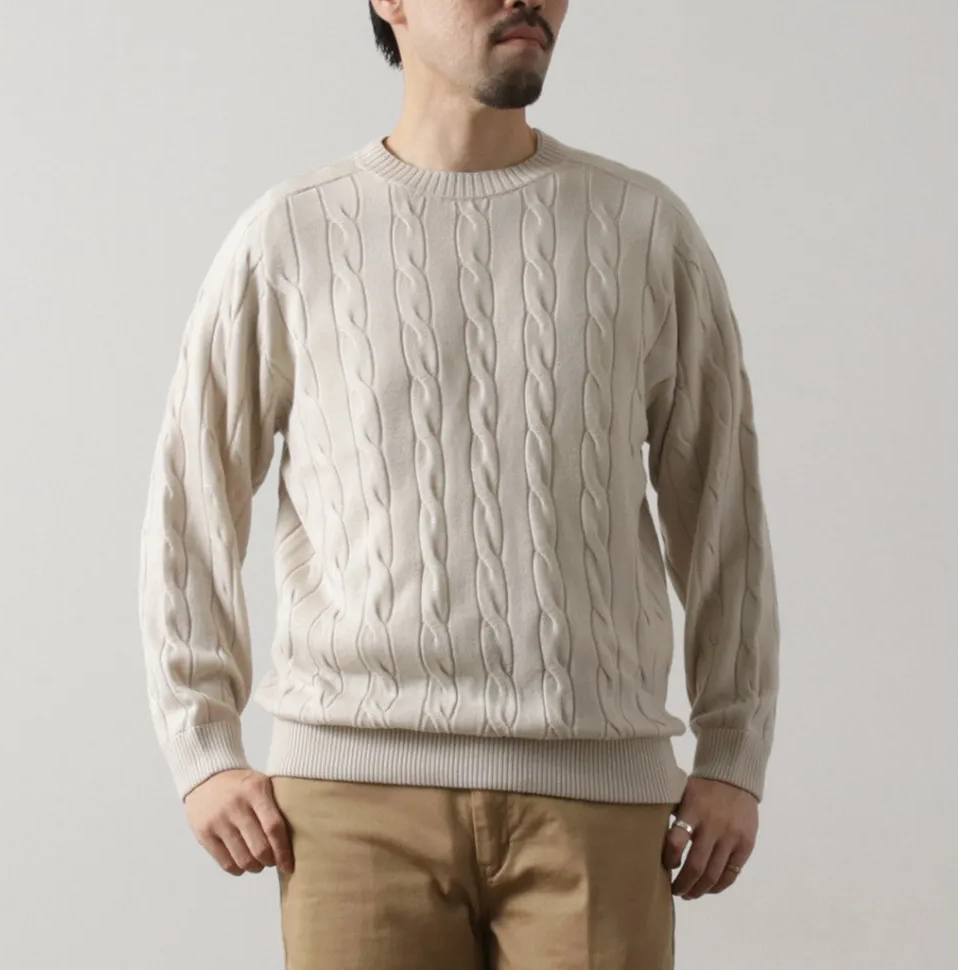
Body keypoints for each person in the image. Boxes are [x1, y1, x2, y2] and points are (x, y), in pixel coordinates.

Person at [137, 1, 781, 967]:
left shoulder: (643, 229)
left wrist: (734, 755)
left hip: (597, 799)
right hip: (350, 806)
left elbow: (721, 507)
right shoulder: (291, 236)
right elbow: (191, 499)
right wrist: (203, 749)